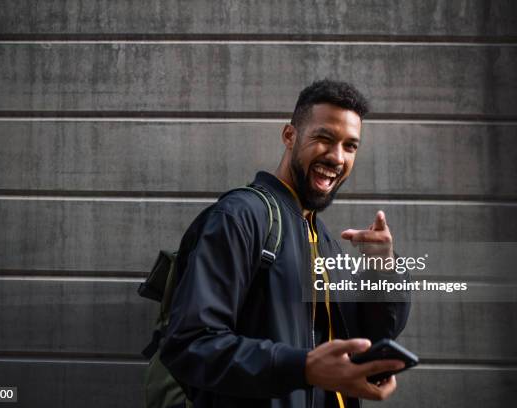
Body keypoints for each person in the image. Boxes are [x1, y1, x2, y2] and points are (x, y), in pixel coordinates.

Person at [160, 79, 410, 408]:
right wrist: (303, 367)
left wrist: (384, 268)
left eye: (350, 146)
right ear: (290, 136)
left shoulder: (327, 244)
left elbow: (374, 334)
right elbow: (189, 344)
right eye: (324, 138)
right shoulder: (239, 218)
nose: (337, 157)